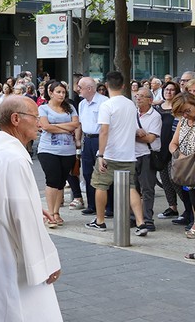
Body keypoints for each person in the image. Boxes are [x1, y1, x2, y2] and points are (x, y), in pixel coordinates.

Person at [0, 95, 62, 322]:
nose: (40, 123)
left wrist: (29, 205)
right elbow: (24, 220)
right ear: (16, 119)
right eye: (36, 117)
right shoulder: (14, 159)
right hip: (14, 257)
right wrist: (47, 263)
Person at [85, 71, 149, 236]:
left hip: (110, 154)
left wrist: (101, 155)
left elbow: (104, 131)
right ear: (123, 85)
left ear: (106, 86)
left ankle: (100, 221)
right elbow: (134, 127)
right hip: (128, 154)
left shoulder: (106, 105)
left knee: (100, 185)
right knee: (132, 188)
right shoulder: (130, 104)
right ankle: (141, 223)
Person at [37, 80, 80, 228]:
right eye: (58, 92)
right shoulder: (43, 108)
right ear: (51, 93)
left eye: (63, 92)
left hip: (67, 150)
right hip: (48, 149)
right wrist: (65, 129)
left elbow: (76, 124)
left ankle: (56, 212)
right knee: (52, 179)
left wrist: (55, 126)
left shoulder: (70, 108)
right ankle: (50, 214)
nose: (62, 95)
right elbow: (45, 126)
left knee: (61, 181)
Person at [76, 76, 109, 216]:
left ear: (89, 88)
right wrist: (78, 140)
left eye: (80, 87)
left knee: (103, 173)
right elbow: (80, 124)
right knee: (87, 173)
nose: (78, 90)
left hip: (99, 139)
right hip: (87, 140)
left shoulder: (104, 102)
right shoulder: (82, 104)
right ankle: (92, 205)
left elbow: (105, 127)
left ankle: (108, 206)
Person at [133, 87, 161, 231]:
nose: (138, 98)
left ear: (150, 100)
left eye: (142, 96)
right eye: (137, 95)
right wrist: (137, 134)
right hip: (133, 155)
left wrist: (132, 136)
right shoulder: (133, 113)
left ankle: (148, 219)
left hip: (147, 156)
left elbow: (150, 137)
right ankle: (134, 217)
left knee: (147, 189)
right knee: (133, 188)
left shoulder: (155, 116)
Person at [170, 92, 195, 241]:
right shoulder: (183, 122)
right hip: (189, 173)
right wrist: (179, 155)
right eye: (181, 113)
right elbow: (172, 144)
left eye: (188, 111)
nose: (185, 115)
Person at [155, 81, 181, 219]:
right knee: (164, 178)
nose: (169, 92)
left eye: (172, 90)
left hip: (175, 147)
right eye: (166, 89)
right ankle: (172, 207)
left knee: (175, 179)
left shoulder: (179, 107)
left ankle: (188, 208)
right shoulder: (157, 107)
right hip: (161, 147)